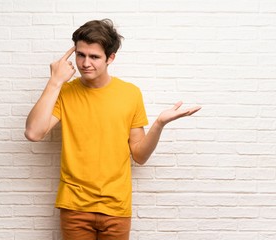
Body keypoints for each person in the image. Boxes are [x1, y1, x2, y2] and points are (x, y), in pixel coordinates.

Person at [25, 19, 201, 240]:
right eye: (80, 55)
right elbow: (33, 133)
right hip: (74, 206)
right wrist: (54, 82)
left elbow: (139, 155)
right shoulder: (64, 92)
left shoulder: (130, 94)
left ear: (110, 58)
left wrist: (158, 124)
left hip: (116, 207)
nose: (85, 63)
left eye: (94, 56)